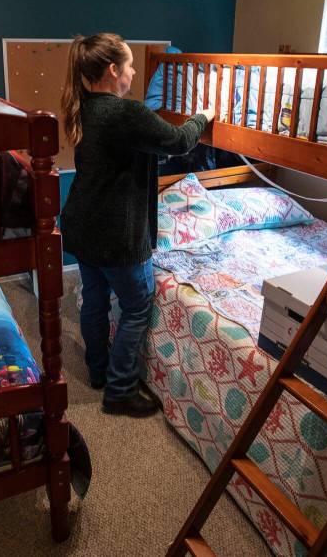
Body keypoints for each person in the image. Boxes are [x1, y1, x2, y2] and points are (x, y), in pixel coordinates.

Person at [60, 33, 214, 417]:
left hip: (83, 225)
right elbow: (179, 141)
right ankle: (120, 390)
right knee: (137, 307)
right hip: (115, 234)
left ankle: (98, 371)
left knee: (95, 299)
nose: (133, 73)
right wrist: (203, 117)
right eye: (130, 65)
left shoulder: (86, 108)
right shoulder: (125, 113)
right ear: (114, 70)